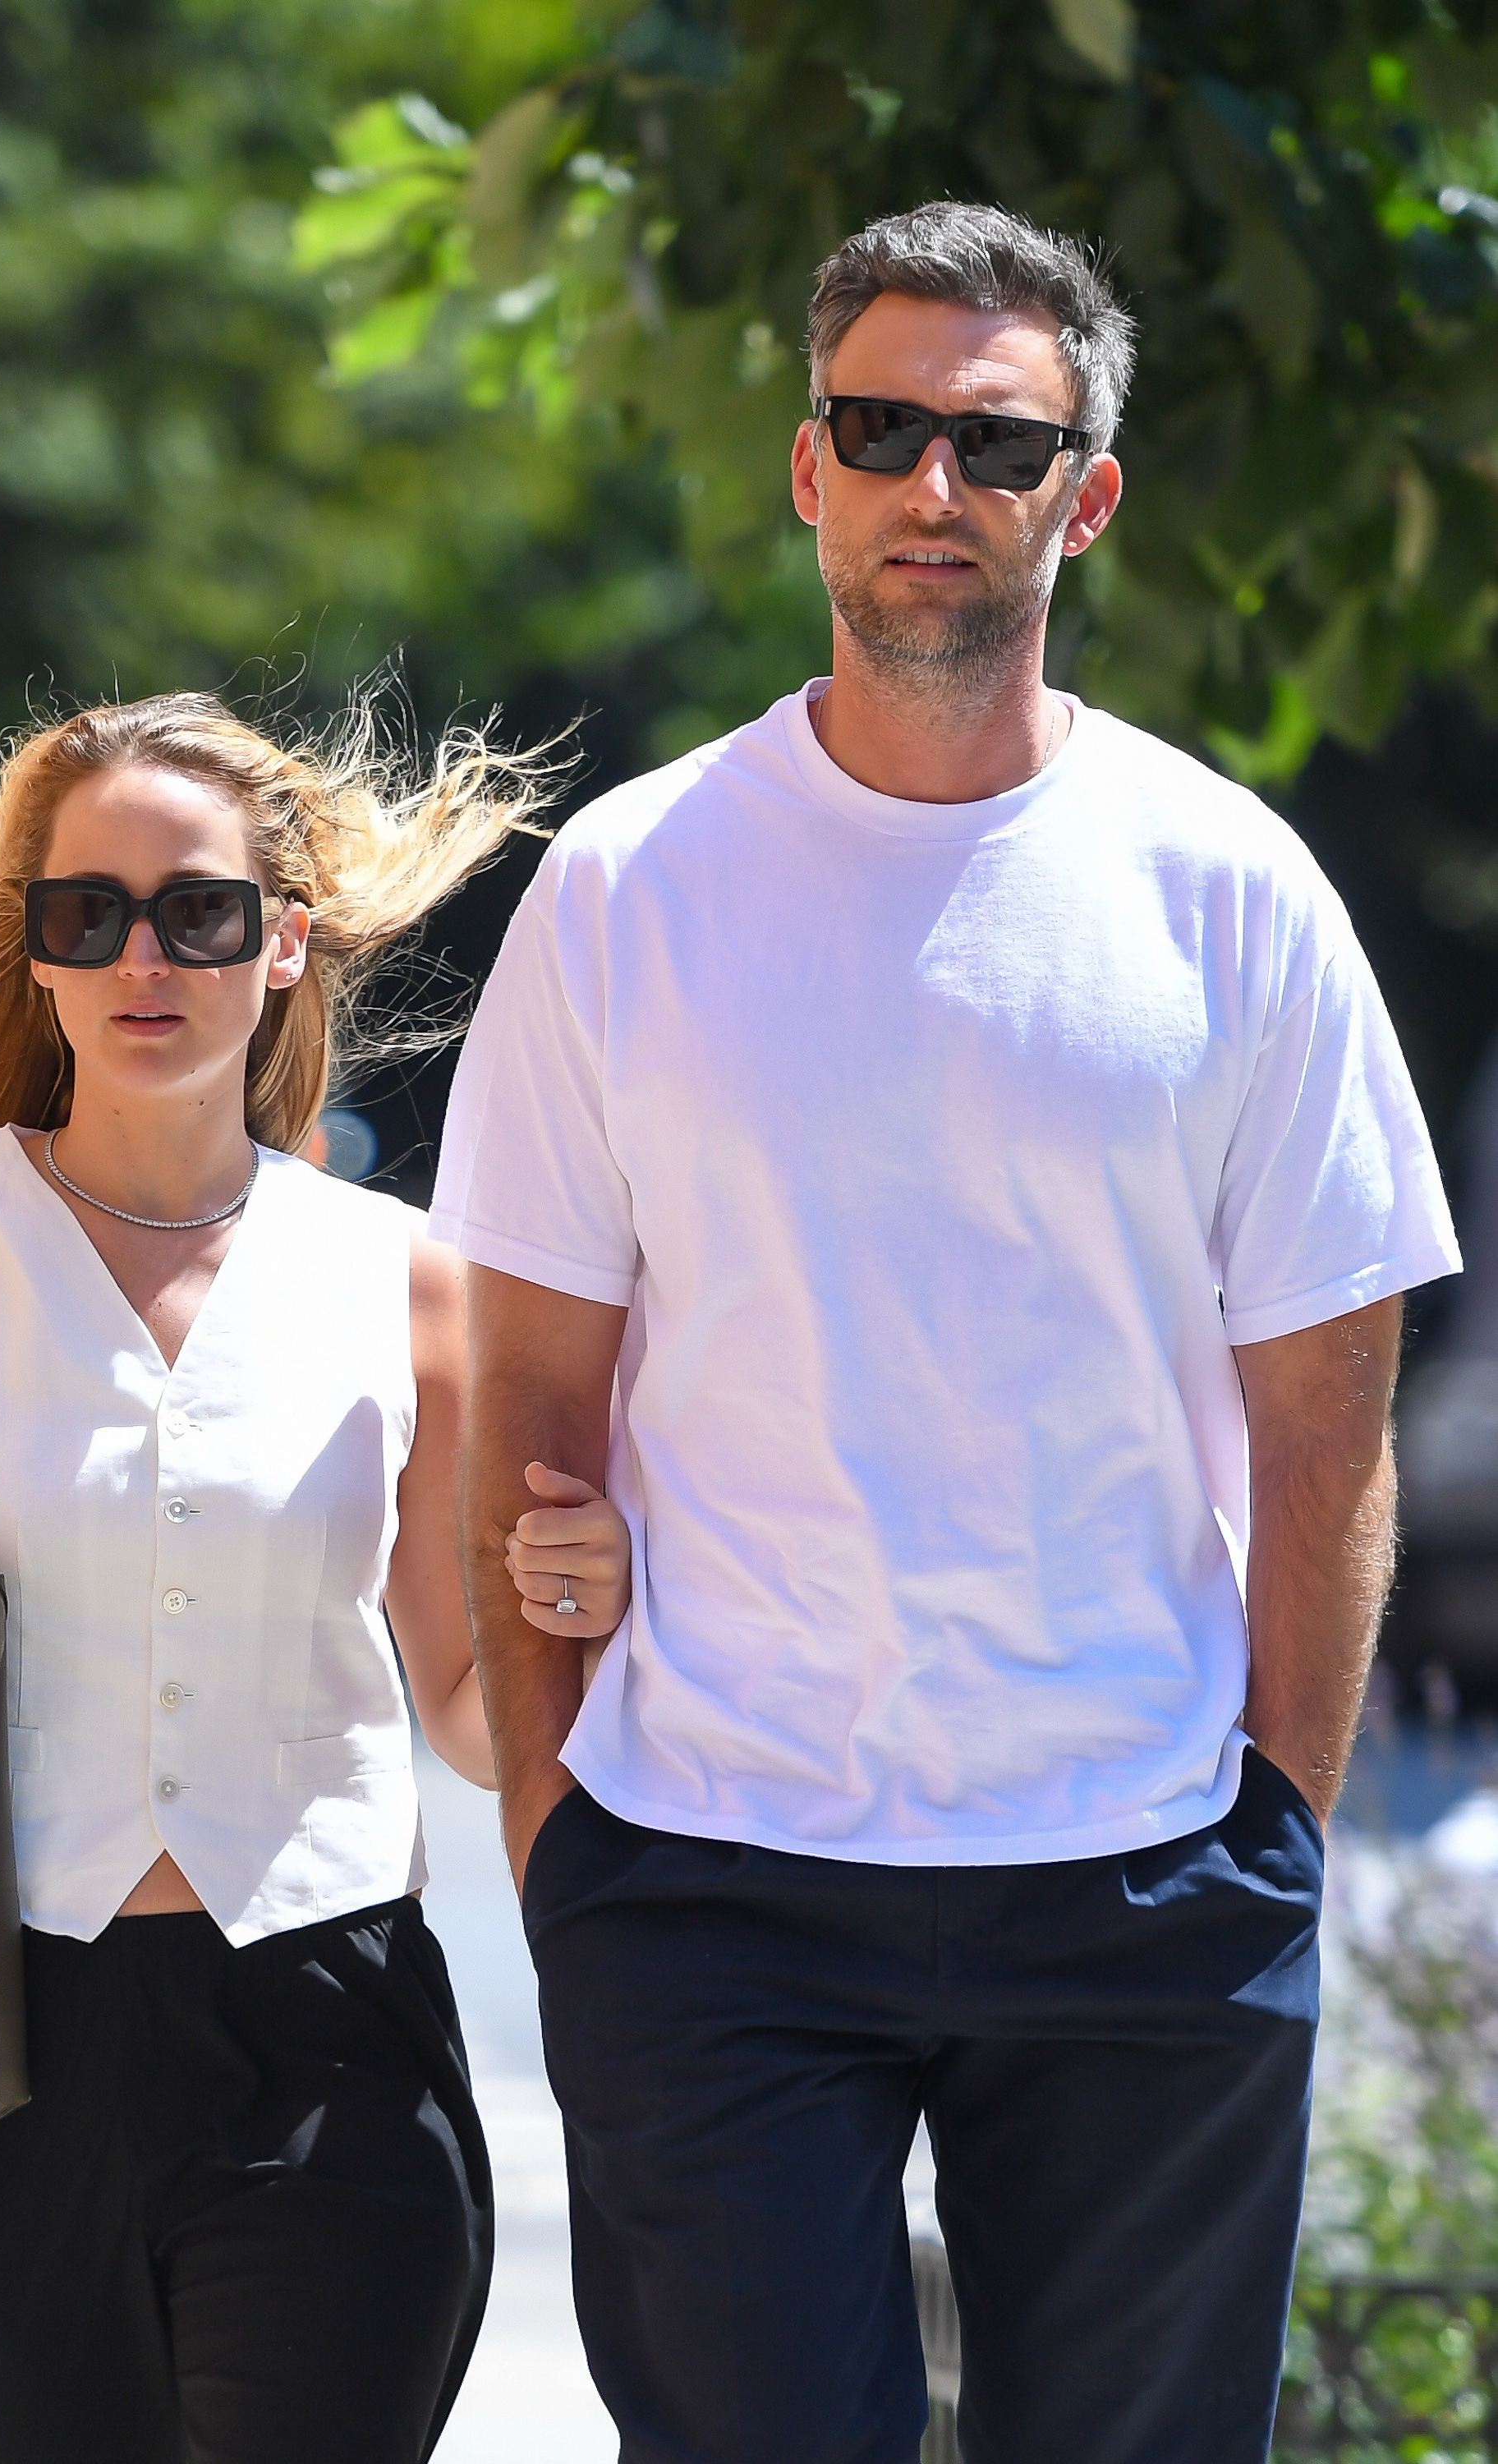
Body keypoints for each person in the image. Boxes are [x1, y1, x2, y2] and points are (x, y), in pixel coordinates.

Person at [440, 203, 1464, 2464]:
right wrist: (555, 1843)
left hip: (1135, 1873)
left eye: (991, 446)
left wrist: (1263, 1847)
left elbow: (1324, 1433)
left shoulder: (1226, 890)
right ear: (803, 469)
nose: (931, 487)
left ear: (1081, 496)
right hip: (706, 1875)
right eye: (877, 429)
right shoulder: (625, 886)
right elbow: (518, 1407)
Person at [0, 690, 634, 2464]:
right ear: (34, 954)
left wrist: (568, 1612)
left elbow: (465, 1706)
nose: (145, 956)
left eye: (199, 912)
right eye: (87, 913)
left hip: (333, 2036)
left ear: (283, 943)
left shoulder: (404, 1275)